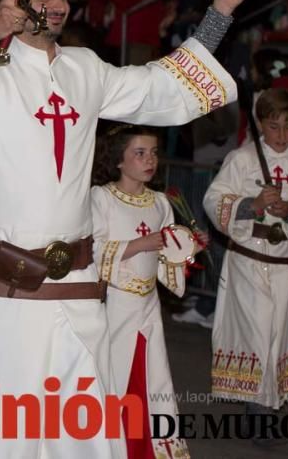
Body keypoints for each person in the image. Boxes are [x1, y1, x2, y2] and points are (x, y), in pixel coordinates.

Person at [0, 0, 265, 457]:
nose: (60, 5)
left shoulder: (85, 68)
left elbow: (161, 86)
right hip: (1, 295)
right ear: (13, 0)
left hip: (76, 288)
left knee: (78, 435)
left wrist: (220, 13)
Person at [203, 88, 288, 420]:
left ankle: (268, 404)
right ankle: (258, 409)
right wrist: (253, 205)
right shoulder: (241, 160)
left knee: (279, 333)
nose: (282, 135)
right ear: (260, 124)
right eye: (274, 126)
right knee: (257, 330)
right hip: (248, 261)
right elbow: (214, 200)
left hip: (283, 263)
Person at [91, 125, 199, 459]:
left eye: (153, 152)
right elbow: (93, 249)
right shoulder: (102, 197)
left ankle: (151, 449)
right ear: (119, 160)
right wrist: (140, 244)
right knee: (115, 376)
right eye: (140, 153)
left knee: (152, 377)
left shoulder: (160, 202)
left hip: (149, 306)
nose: (149, 160)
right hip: (115, 305)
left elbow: (166, 255)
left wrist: (184, 250)